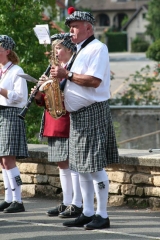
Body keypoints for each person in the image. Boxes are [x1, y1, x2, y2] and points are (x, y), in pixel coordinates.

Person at [50, 8, 119, 230]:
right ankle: (88, 212)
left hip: (93, 111)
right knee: (80, 167)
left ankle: (102, 214)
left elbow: (94, 81)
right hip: (78, 115)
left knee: (95, 166)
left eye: (76, 26)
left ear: (88, 27)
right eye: (70, 26)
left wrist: (67, 75)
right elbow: (70, 82)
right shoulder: (78, 51)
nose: (71, 30)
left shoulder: (97, 48)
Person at [32, 33, 83, 218]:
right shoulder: (54, 69)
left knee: (72, 163)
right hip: (53, 119)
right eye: (55, 48)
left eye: (59, 48)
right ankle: (66, 201)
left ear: (69, 49)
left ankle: (76, 202)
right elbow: (48, 98)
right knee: (62, 164)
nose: (56, 51)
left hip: (66, 119)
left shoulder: (73, 67)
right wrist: (39, 95)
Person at [0, 35, 28, 213]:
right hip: (0, 113)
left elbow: (20, 97)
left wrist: (1, 90)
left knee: (9, 159)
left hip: (11, 114)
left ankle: (18, 200)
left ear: (7, 51)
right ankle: (8, 198)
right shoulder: (1, 70)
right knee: (2, 160)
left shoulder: (17, 70)